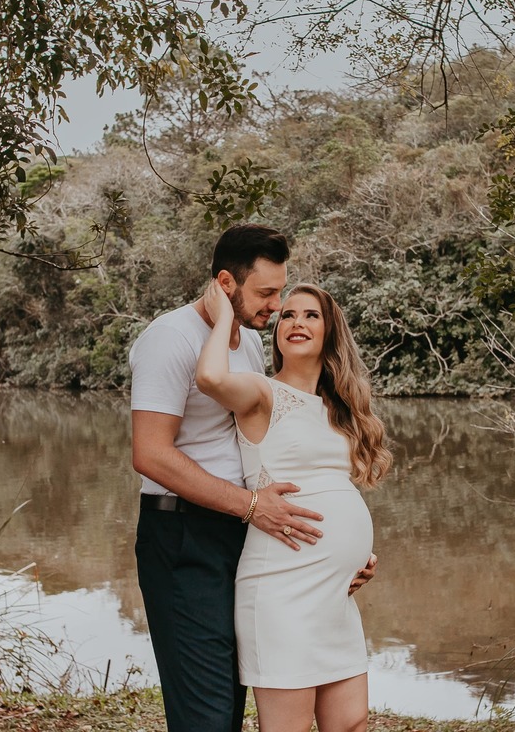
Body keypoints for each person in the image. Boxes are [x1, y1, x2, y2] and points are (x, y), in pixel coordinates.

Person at [129, 224, 376, 732]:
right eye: (267, 294)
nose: (276, 306)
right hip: (184, 536)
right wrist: (249, 504)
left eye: (281, 292)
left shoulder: (247, 346)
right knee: (208, 716)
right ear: (226, 284)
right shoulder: (169, 338)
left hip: (240, 534)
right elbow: (150, 455)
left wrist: (339, 555)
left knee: (234, 701)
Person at [195, 280, 393, 732]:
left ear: (330, 332)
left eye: (310, 315)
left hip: (336, 596)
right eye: (287, 315)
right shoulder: (262, 394)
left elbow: (334, 488)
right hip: (281, 590)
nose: (296, 322)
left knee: (351, 722)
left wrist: (356, 557)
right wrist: (225, 317)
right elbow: (209, 378)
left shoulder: (339, 407)